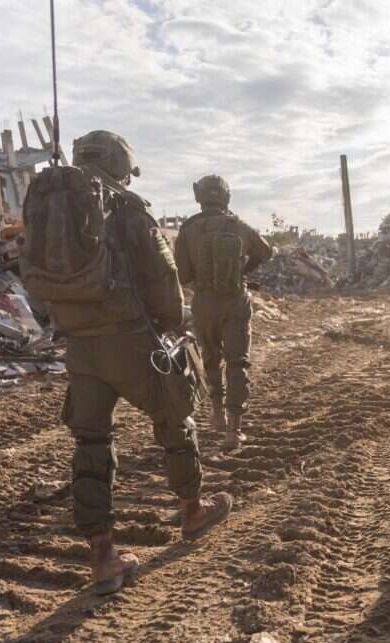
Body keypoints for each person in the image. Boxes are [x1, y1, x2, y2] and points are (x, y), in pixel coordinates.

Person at [25, 131, 232, 595]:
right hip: (131, 339)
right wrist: (174, 323)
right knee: (177, 419)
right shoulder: (127, 207)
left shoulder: (53, 203)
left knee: (91, 443)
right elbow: (163, 279)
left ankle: (102, 558)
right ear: (122, 163)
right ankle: (193, 511)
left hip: (80, 345)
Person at [174, 174, 273, 449]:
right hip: (234, 300)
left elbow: (182, 275)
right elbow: (266, 252)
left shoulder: (188, 229)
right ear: (226, 197)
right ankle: (233, 430)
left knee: (210, 359)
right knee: (237, 362)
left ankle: (216, 414)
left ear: (199, 196)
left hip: (203, 303)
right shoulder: (237, 224)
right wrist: (242, 269)